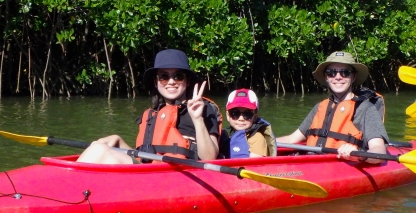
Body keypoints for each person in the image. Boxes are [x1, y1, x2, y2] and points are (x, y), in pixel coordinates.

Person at [77, 49, 221, 164]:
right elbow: (146, 158)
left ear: (187, 81)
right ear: (156, 81)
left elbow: (210, 158)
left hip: (181, 177)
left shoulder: (204, 109)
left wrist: (197, 119)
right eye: (164, 76)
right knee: (101, 144)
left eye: (178, 76)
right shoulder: (152, 113)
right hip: (151, 176)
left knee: (102, 152)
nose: (171, 81)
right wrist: (119, 142)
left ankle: (66, 194)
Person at [277, 51, 388, 160]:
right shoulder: (320, 107)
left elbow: (379, 150)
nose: (338, 77)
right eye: (331, 73)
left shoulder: (366, 108)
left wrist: (359, 154)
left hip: (343, 166)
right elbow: (292, 138)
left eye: (345, 72)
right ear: (326, 77)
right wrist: (266, 141)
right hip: (311, 163)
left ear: (353, 77)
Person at [224, 89, 276, 159]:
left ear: (255, 117)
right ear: (228, 115)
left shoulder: (257, 138)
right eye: (235, 113)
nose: (241, 118)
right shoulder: (227, 136)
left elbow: (254, 165)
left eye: (247, 114)